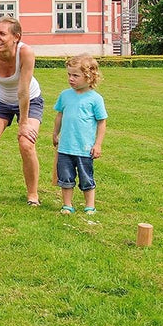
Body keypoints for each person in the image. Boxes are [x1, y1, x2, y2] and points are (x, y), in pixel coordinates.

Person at [0, 16, 43, 205]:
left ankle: (32, 195)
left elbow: (22, 90)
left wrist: (23, 124)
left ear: (16, 37)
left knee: (26, 143)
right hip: (1, 102)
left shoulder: (26, 53)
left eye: (2, 34)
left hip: (29, 99)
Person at [52, 54, 108, 215]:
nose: (71, 79)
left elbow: (101, 122)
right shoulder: (65, 95)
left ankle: (89, 205)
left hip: (84, 148)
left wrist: (97, 144)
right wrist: (55, 133)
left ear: (89, 77)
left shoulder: (95, 99)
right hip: (65, 147)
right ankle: (67, 205)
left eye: (75, 75)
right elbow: (60, 115)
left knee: (86, 178)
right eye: (69, 74)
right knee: (66, 178)